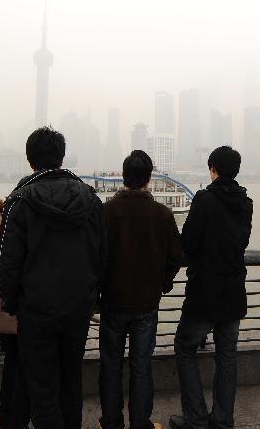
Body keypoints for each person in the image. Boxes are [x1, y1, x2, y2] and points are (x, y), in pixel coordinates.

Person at [0, 127, 107, 429]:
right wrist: (93, 297)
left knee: (43, 388)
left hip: (36, 310)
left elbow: (9, 261)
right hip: (78, 308)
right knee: (71, 382)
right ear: (61, 157)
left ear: (30, 160)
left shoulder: (19, 202)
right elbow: (102, 254)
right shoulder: (91, 199)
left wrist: (11, 302)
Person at [99, 150, 183, 429]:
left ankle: (111, 421)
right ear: (148, 178)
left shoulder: (106, 212)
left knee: (110, 366)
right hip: (146, 304)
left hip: (111, 302)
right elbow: (175, 256)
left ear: (124, 177)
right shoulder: (162, 214)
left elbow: (95, 256)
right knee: (141, 366)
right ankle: (140, 422)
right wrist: (163, 283)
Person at [169, 146, 252, 429]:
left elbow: (188, 242)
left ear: (212, 168)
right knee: (227, 355)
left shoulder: (204, 199)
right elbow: (240, 242)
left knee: (184, 347)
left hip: (205, 290)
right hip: (233, 291)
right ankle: (222, 419)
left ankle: (196, 417)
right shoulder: (246, 202)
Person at [0, 198, 30, 429]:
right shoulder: (16, 227)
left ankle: (7, 418)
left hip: (1, 309)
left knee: (12, 364)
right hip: (22, 311)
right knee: (24, 365)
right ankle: (18, 417)